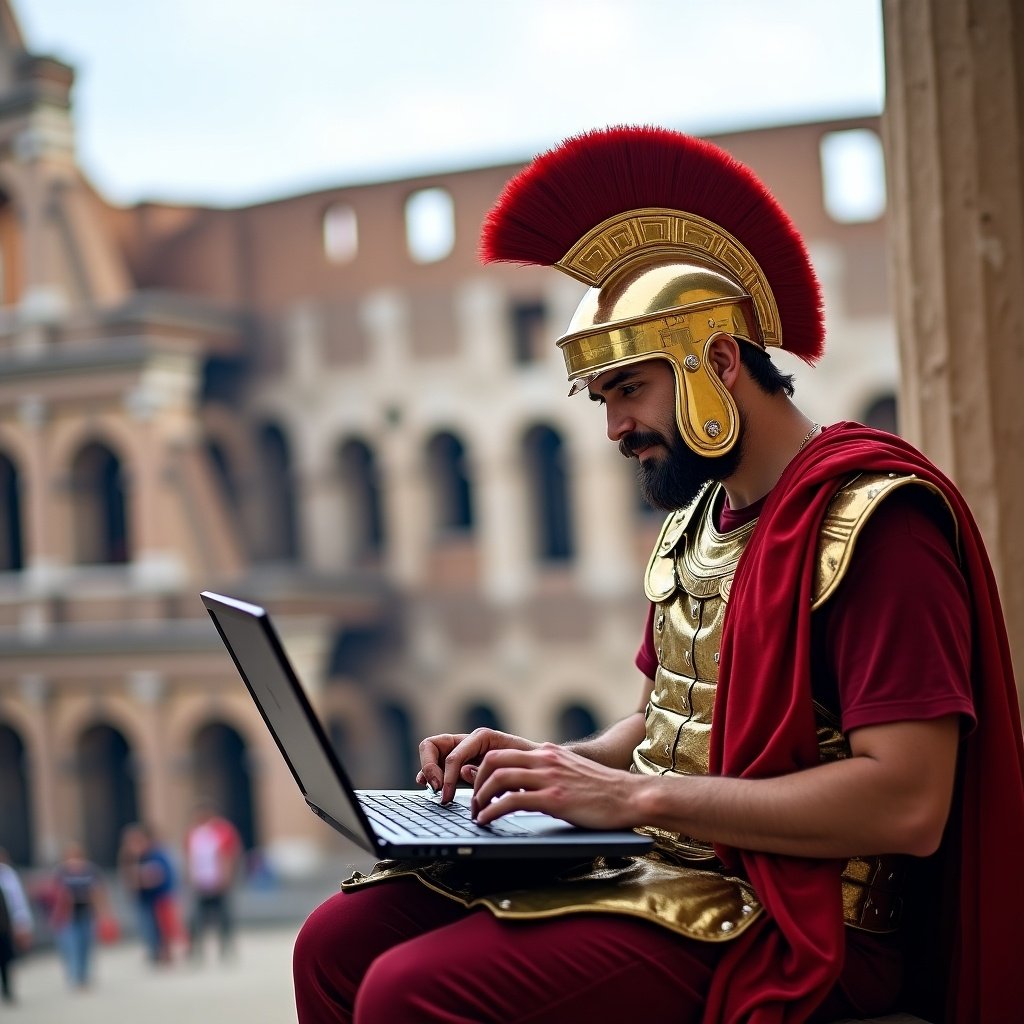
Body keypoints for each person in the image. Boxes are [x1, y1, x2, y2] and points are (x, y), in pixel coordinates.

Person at [292, 126, 1024, 1023]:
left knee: (410, 993)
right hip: (678, 866)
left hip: (804, 911)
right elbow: (668, 722)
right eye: (601, 402)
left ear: (718, 363)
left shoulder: (877, 523)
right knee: (334, 942)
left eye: (629, 391)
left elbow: (909, 802)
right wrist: (549, 768)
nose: (614, 430)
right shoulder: (697, 516)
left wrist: (629, 796)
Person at [118, 822, 183, 965]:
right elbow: (129, 880)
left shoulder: (156, 855)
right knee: (147, 928)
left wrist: (140, 877)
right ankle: (155, 952)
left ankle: (165, 953)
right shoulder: (130, 857)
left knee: (163, 928)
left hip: (160, 898)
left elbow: (157, 877)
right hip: (143, 899)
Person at [184, 802, 242, 962]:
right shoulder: (193, 833)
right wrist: (189, 878)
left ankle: (226, 949)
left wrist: (227, 878)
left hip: (219, 882)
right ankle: (196, 951)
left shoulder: (223, 830)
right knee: (195, 920)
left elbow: (230, 855)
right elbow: (189, 857)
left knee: (224, 918)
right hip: (199, 883)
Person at [49, 841, 111, 990]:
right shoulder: (61, 871)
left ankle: (84, 975)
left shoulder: (90, 870)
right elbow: (53, 894)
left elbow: (99, 891)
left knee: (85, 944)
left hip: (86, 911)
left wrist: (104, 912)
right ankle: (75, 976)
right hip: (68, 915)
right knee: (71, 945)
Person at [0, 847, 32, 1004]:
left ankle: (7, 990)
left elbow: (17, 901)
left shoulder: (7, 874)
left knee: (6, 960)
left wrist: (22, 923)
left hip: (4, 925)